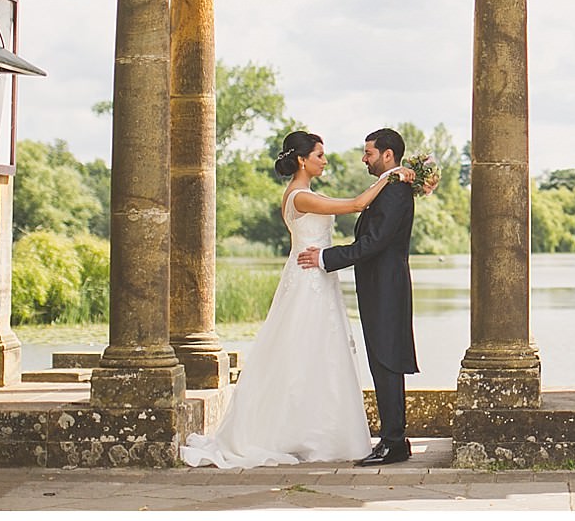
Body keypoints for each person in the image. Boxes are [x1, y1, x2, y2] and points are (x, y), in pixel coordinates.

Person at [180, 130, 414, 469]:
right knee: (299, 352)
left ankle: (319, 430)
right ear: (302, 159)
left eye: (368, 153)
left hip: (320, 277)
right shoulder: (299, 196)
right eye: (320, 154)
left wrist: (402, 177)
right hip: (308, 278)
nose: (326, 159)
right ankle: (296, 432)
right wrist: (395, 175)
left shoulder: (308, 193)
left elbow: (365, 213)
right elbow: (356, 205)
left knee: (320, 356)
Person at [297, 127, 432, 467]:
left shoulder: (396, 191)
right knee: (381, 359)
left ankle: (393, 442)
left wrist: (326, 258)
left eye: (369, 153)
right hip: (379, 284)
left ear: (388, 155)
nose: (363, 158)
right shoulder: (389, 186)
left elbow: (374, 242)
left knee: (386, 360)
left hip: (387, 286)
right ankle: (394, 439)